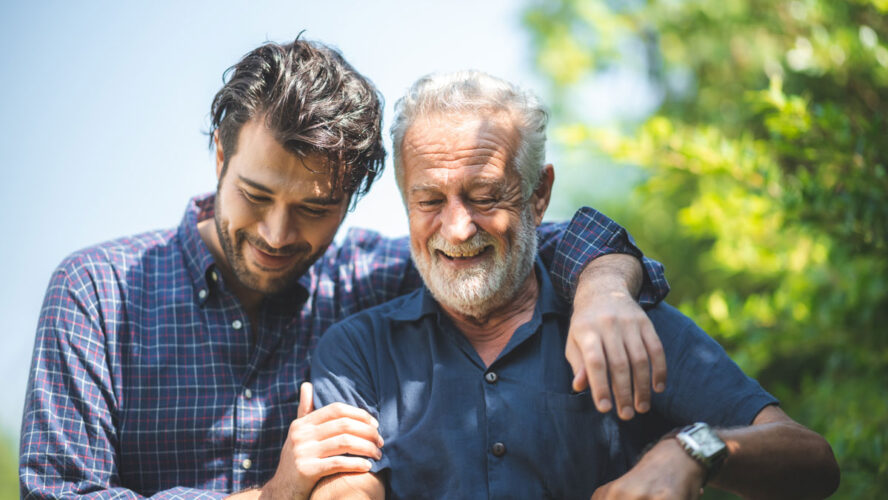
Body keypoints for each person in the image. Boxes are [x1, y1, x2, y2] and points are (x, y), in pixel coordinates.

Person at [19, 39, 671, 499]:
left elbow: (515, 237)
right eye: (255, 194)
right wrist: (274, 498)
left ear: (355, 199)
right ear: (220, 156)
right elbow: (58, 495)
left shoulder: (369, 278)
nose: (277, 233)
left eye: (314, 207)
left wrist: (604, 284)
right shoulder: (95, 294)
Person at [309, 70, 840, 499]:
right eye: (429, 201)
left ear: (539, 195)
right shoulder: (357, 349)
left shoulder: (623, 322)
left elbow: (812, 460)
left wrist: (691, 449)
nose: (457, 228)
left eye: (486, 195)